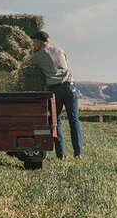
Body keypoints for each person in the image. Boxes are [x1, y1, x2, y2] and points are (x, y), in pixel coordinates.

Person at [30, 31, 82, 159]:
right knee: (74, 120)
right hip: (70, 88)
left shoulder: (39, 55)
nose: (33, 43)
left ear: (39, 41)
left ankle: (61, 154)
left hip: (56, 90)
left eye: (34, 41)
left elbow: (28, 63)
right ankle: (78, 153)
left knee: (56, 121)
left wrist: (33, 52)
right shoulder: (60, 50)